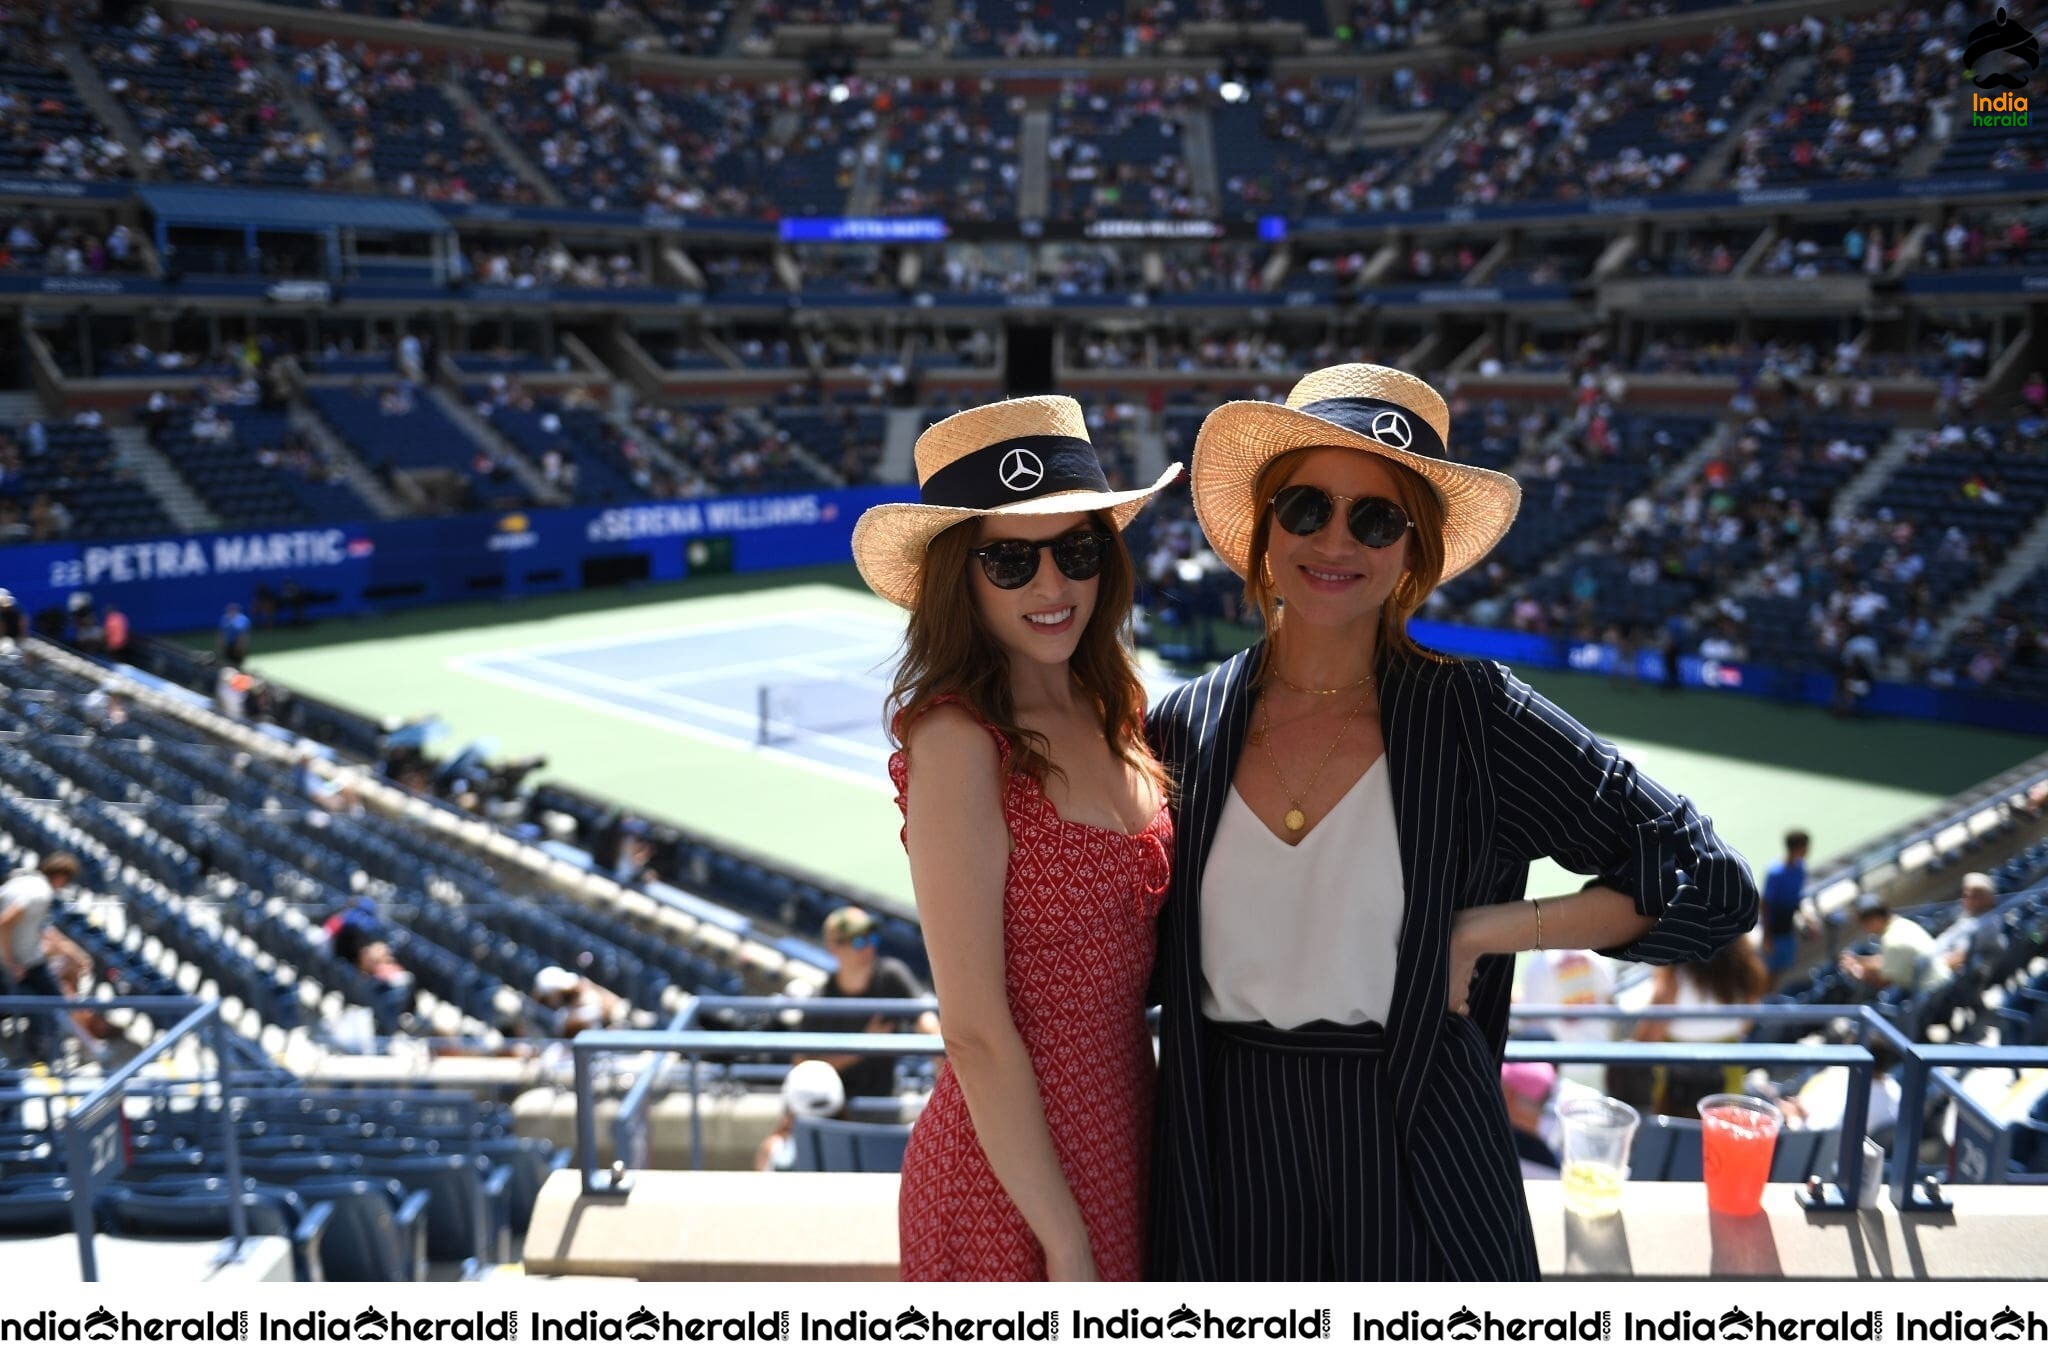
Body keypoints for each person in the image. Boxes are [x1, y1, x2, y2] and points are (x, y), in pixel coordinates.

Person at [1147, 364, 1758, 1281]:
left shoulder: (1478, 716)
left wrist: (1486, 930)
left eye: (1377, 517)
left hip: (1422, 1142)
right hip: (1229, 1148)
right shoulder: (1182, 725)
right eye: (1306, 507)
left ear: (1413, 553)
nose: (1336, 538)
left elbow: (1708, 879)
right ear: (1265, 531)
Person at [851, 395, 1180, 1281]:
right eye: (1010, 559)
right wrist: (1065, 1239)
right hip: (1010, 1183)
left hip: (1126, 1131)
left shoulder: (1117, 707)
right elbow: (974, 1032)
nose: (1053, 585)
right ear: (962, 574)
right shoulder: (959, 743)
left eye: (1078, 550)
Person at [798, 906, 937, 1104]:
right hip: (834, 1105)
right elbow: (802, 1066)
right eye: (858, 941)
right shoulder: (820, 1000)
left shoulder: (891, 975)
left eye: (871, 938)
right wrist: (864, 1045)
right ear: (834, 948)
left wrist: (936, 1043)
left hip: (883, 1100)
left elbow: (926, 1021)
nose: (868, 947)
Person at [1624, 936, 1772, 1118]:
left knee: (1675, 1136)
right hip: (1728, 1069)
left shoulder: (1673, 974)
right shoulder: (1747, 970)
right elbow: (1746, 1024)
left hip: (1675, 1080)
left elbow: (1647, 1037)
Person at [1, 854, 80, 1064]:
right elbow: (4, 922)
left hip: (19, 959)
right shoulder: (40, 893)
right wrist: (10, 963)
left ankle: (40, 1053)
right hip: (19, 962)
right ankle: (48, 1056)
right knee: (54, 1003)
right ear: (61, 877)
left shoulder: (22, 880)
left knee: (37, 1004)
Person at [1839, 893, 1950, 995]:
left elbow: (1882, 982)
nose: (1864, 929)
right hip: (1945, 982)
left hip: (1935, 994)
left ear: (1875, 920)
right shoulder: (1901, 924)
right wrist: (1858, 960)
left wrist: (1855, 970)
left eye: (1863, 924)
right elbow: (1884, 960)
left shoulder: (1891, 942)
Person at [1934, 871, 2006, 977]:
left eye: (1969, 896)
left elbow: (1958, 957)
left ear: (1984, 900)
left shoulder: (1983, 925)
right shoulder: (1973, 914)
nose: (1963, 898)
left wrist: (1933, 965)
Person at [1760, 828, 1810, 978]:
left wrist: (1806, 918)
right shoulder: (1775, 872)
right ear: (1798, 848)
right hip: (1775, 930)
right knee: (1769, 972)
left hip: (1788, 927)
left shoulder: (1801, 868)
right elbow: (1765, 903)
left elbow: (1795, 898)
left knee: (1783, 967)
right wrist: (1767, 936)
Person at [218, 602, 251, 667]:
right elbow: (221, 634)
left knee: (238, 665)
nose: (231, 612)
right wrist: (220, 646)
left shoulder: (243, 620)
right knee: (228, 665)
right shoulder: (224, 619)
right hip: (228, 646)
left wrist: (240, 648)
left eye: (233, 610)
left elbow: (244, 636)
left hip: (238, 646)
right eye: (229, 611)